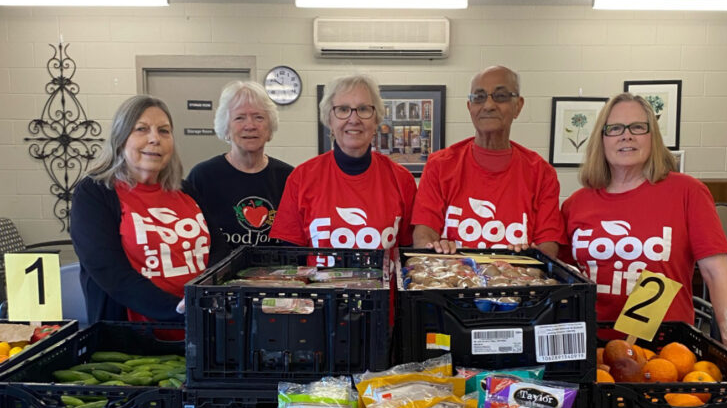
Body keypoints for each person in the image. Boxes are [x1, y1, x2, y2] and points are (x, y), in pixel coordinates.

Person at [562, 92, 727, 337]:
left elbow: (717, 275)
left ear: (652, 136)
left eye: (637, 127)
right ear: (601, 139)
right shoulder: (575, 204)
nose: (626, 135)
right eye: (615, 128)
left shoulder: (688, 192)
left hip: (666, 350)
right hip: (590, 346)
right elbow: (562, 280)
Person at [70, 96, 211, 322]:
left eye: (164, 131)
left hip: (199, 326)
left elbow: (218, 249)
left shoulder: (186, 190)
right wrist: (178, 309)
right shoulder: (95, 192)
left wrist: (208, 299)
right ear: (120, 138)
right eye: (141, 129)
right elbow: (108, 270)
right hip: (135, 334)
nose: (155, 139)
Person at [412, 66, 565, 258]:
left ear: (518, 106)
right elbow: (424, 235)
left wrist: (527, 263)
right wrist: (435, 249)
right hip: (454, 276)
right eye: (479, 97)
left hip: (519, 277)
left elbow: (548, 246)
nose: (489, 105)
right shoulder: (440, 165)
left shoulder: (541, 173)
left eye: (500, 96)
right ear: (470, 107)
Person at [270, 74, 416, 249]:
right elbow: (289, 258)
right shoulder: (301, 178)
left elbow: (409, 253)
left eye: (363, 109)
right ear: (329, 120)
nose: (353, 119)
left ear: (376, 120)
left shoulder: (402, 179)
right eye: (343, 109)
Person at [186, 81, 293, 254]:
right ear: (226, 128)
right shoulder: (202, 177)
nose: (250, 126)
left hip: (277, 271)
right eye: (239, 118)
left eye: (259, 117)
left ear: (269, 128)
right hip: (219, 271)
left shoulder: (289, 177)